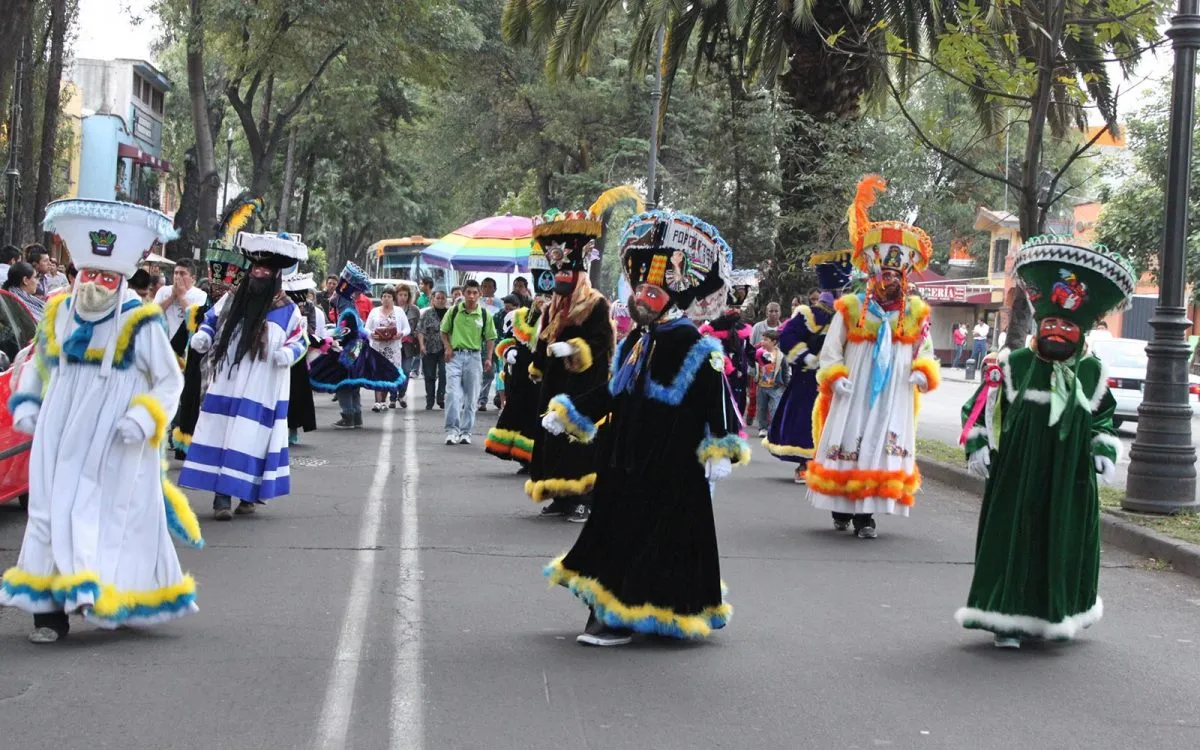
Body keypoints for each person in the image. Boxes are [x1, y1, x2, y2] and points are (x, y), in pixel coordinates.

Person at [542, 208, 746, 647]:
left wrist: (720, 451)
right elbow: (615, 390)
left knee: (657, 535)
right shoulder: (638, 338)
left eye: (653, 291)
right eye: (641, 289)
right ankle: (618, 612)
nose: (643, 298)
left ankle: (627, 616)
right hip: (626, 454)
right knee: (618, 529)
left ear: (673, 296)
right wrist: (571, 413)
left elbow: (717, 401)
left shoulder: (693, 342)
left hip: (672, 461)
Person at [0, 198, 201, 642]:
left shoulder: (140, 321)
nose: (95, 284)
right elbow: (36, 364)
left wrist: (143, 419)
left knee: (112, 515)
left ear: (122, 278)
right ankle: (49, 613)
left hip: (116, 438)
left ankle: (113, 593)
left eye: (107, 276)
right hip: (61, 429)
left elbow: (170, 381)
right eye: (89, 274)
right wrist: (28, 403)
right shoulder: (58, 311)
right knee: (52, 512)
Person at [956, 236, 1132, 648]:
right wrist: (978, 443)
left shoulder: (1092, 371)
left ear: (1080, 330)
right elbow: (979, 406)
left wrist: (1104, 449)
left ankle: (1057, 613)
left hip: (1069, 475)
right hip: (1017, 472)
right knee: (1014, 539)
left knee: (1062, 538)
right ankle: (1005, 621)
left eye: (1066, 325)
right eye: (1050, 323)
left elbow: (1105, 417)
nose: (1056, 330)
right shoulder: (1012, 364)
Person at [807, 175, 941, 539]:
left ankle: (866, 516)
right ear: (873, 275)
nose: (890, 280)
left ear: (905, 277)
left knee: (881, 444)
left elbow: (924, 350)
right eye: (884, 273)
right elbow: (832, 350)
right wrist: (836, 375)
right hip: (855, 389)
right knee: (849, 440)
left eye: (896, 274)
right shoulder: (850, 309)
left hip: (893, 392)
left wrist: (920, 371)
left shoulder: (915, 312)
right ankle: (841, 506)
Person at [179, 232, 308, 520]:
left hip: (263, 384)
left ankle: (248, 495)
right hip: (228, 378)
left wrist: (287, 353)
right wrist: (203, 335)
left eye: (265, 270)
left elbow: (301, 340)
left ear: (275, 275)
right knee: (221, 432)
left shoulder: (288, 310)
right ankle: (221, 499)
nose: (259, 273)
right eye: (256, 268)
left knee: (251, 437)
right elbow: (211, 319)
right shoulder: (232, 298)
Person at [524, 207, 615, 523]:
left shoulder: (595, 304)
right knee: (553, 439)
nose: (561, 278)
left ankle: (584, 498)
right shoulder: (552, 307)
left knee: (579, 440)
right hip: (555, 383)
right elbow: (543, 341)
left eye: (567, 274)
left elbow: (602, 342)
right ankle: (560, 495)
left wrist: (575, 348)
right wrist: (537, 366)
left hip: (584, 384)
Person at [763, 251, 851, 483]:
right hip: (810, 378)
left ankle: (831, 463)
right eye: (839, 291)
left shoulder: (848, 316)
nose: (841, 294)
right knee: (806, 419)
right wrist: (809, 359)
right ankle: (805, 463)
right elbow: (789, 338)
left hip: (838, 377)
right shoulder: (807, 314)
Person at [309, 262, 404, 428]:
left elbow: (346, 332)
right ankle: (356, 415)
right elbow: (358, 329)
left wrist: (329, 336)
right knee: (352, 382)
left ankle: (348, 416)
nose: (333, 298)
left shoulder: (346, 308)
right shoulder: (350, 306)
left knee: (343, 381)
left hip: (349, 350)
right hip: (358, 347)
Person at [485, 302, 543, 472]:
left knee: (541, 420)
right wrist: (508, 350)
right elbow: (507, 339)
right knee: (521, 418)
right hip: (520, 380)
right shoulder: (520, 317)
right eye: (541, 298)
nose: (544, 302)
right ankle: (525, 459)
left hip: (545, 378)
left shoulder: (560, 318)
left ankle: (539, 460)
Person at [439, 279, 496, 445]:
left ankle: (466, 432)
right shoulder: (454, 311)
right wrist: (448, 347)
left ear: (479, 295)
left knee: (471, 398)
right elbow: (443, 331)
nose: (471, 296)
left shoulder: (484, 314)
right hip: (455, 357)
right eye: (468, 293)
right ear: (463, 294)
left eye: (475, 293)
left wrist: (488, 358)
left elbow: (490, 338)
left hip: (474, 357)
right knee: (452, 394)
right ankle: (451, 430)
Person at [282, 270, 319, 444]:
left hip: (299, 354)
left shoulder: (310, 307)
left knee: (297, 394)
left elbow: (312, 328)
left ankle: (293, 429)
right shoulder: (280, 304)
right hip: (281, 353)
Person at [365, 285, 410, 411]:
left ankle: (384, 401)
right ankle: (377, 402)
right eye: (384, 296)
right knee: (377, 374)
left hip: (393, 349)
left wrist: (401, 334)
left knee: (388, 375)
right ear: (381, 298)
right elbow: (366, 328)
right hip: (377, 348)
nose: (386, 299)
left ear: (393, 299)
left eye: (389, 296)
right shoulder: (374, 311)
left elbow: (407, 328)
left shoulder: (399, 312)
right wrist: (371, 334)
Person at [700, 307, 752, 414]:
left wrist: (760, 356)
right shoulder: (713, 329)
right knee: (720, 401)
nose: (734, 309)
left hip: (740, 371)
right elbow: (714, 352)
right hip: (720, 372)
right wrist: (729, 368)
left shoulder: (741, 328)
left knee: (738, 401)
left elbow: (748, 349)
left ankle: (736, 427)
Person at [154, 258, 208, 340]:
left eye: (182, 273)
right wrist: (172, 297)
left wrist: (181, 296)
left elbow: (194, 321)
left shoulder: (201, 295)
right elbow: (153, 313)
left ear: (193, 278)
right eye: (176, 273)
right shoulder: (163, 290)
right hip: (164, 342)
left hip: (184, 345)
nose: (177, 276)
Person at [417, 290, 449, 409]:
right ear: (433, 300)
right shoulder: (427, 313)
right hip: (429, 348)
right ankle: (429, 399)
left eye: (443, 298)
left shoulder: (449, 313)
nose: (440, 300)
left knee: (443, 373)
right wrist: (422, 345)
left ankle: (440, 397)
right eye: (438, 298)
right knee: (429, 375)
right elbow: (420, 330)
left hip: (445, 348)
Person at [754, 330, 788, 437]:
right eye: (762, 339)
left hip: (775, 387)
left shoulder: (780, 355)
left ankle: (774, 428)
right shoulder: (759, 353)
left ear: (774, 342)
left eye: (765, 340)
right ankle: (763, 428)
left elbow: (786, 370)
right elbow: (753, 365)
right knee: (761, 408)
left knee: (775, 408)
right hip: (761, 385)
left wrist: (786, 383)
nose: (762, 342)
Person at [396, 285, 422, 404]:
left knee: (406, 371)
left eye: (405, 295)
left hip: (408, 345)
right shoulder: (392, 308)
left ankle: (401, 394)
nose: (403, 297)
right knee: (394, 371)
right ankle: (392, 397)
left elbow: (418, 326)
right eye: (400, 295)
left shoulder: (414, 309)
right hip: (393, 344)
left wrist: (414, 335)